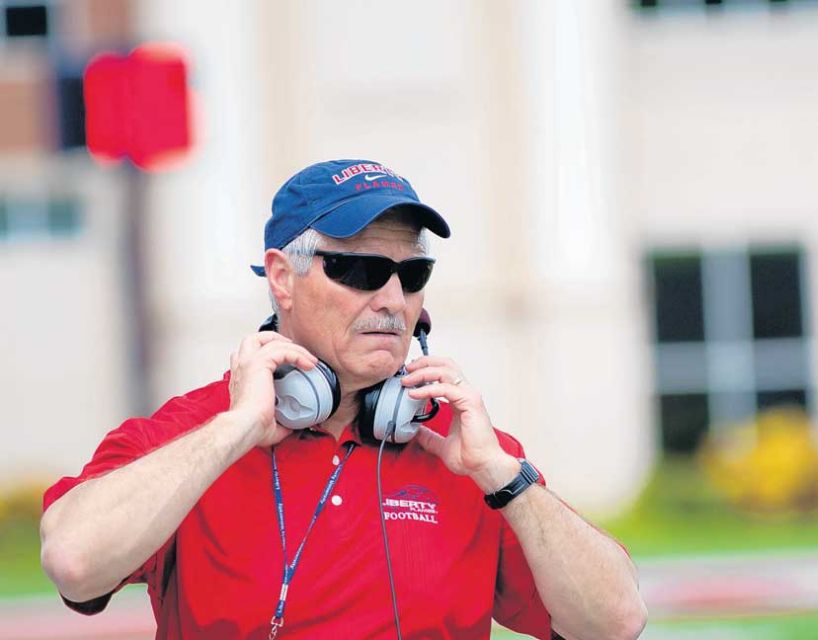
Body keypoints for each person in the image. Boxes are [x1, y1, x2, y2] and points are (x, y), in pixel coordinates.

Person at [40, 159, 647, 639]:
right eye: (359, 271)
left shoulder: (466, 449)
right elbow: (73, 560)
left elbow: (616, 623)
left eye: (411, 277)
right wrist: (235, 431)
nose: (391, 300)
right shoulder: (193, 432)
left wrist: (505, 477)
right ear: (282, 277)